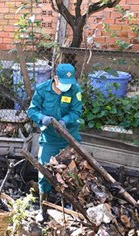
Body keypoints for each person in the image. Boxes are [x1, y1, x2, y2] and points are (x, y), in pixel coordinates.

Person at [27, 63, 83, 205]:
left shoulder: (75, 90)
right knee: (44, 173)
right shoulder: (42, 90)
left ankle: (72, 207)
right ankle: (43, 207)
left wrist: (65, 120)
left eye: (69, 83)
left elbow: (77, 111)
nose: (67, 86)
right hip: (49, 138)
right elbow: (32, 110)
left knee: (72, 174)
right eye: (64, 83)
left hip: (69, 138)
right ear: (56, 78)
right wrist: (42, 118)